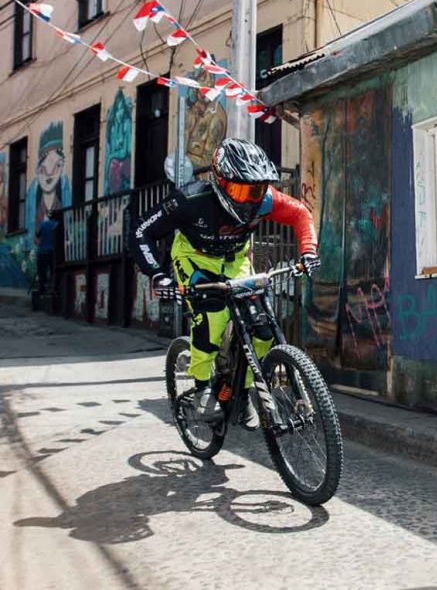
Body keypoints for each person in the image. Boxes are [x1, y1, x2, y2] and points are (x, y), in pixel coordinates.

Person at [128, 139, 319, 429]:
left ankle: (242, 393)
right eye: (239, 189)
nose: (248, 200)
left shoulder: (264, 199)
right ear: (218, 181)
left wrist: (308, 251)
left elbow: (300, 214)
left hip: (236, 260)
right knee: (213, 318)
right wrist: (157, 274)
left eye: (255, 190)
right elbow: (141, 231)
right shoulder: (189, 200)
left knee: (263, 328)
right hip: (195, 259)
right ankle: (203, 386)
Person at [35, 210, 58, 292]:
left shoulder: (43, 224)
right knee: (53, 270)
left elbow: (37, 234)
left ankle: (42, 287)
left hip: (42, 251)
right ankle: (54, 287)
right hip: (52, 252)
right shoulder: (56, 225)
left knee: (42, 270)